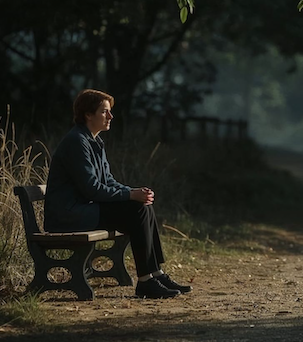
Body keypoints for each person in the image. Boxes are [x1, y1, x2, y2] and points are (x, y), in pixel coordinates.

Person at [44, 89, 192, 299]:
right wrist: (130, 197)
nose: (110, 116)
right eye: (105, 112)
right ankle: (145, 281)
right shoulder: (77, 142)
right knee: (136, 209)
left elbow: (108, 181)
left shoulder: (94, 142)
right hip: (69, 215)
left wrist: (132, 192)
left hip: (85, 209)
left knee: (144, 207)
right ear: (88, 114)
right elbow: (92, 188)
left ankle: (155, 274)